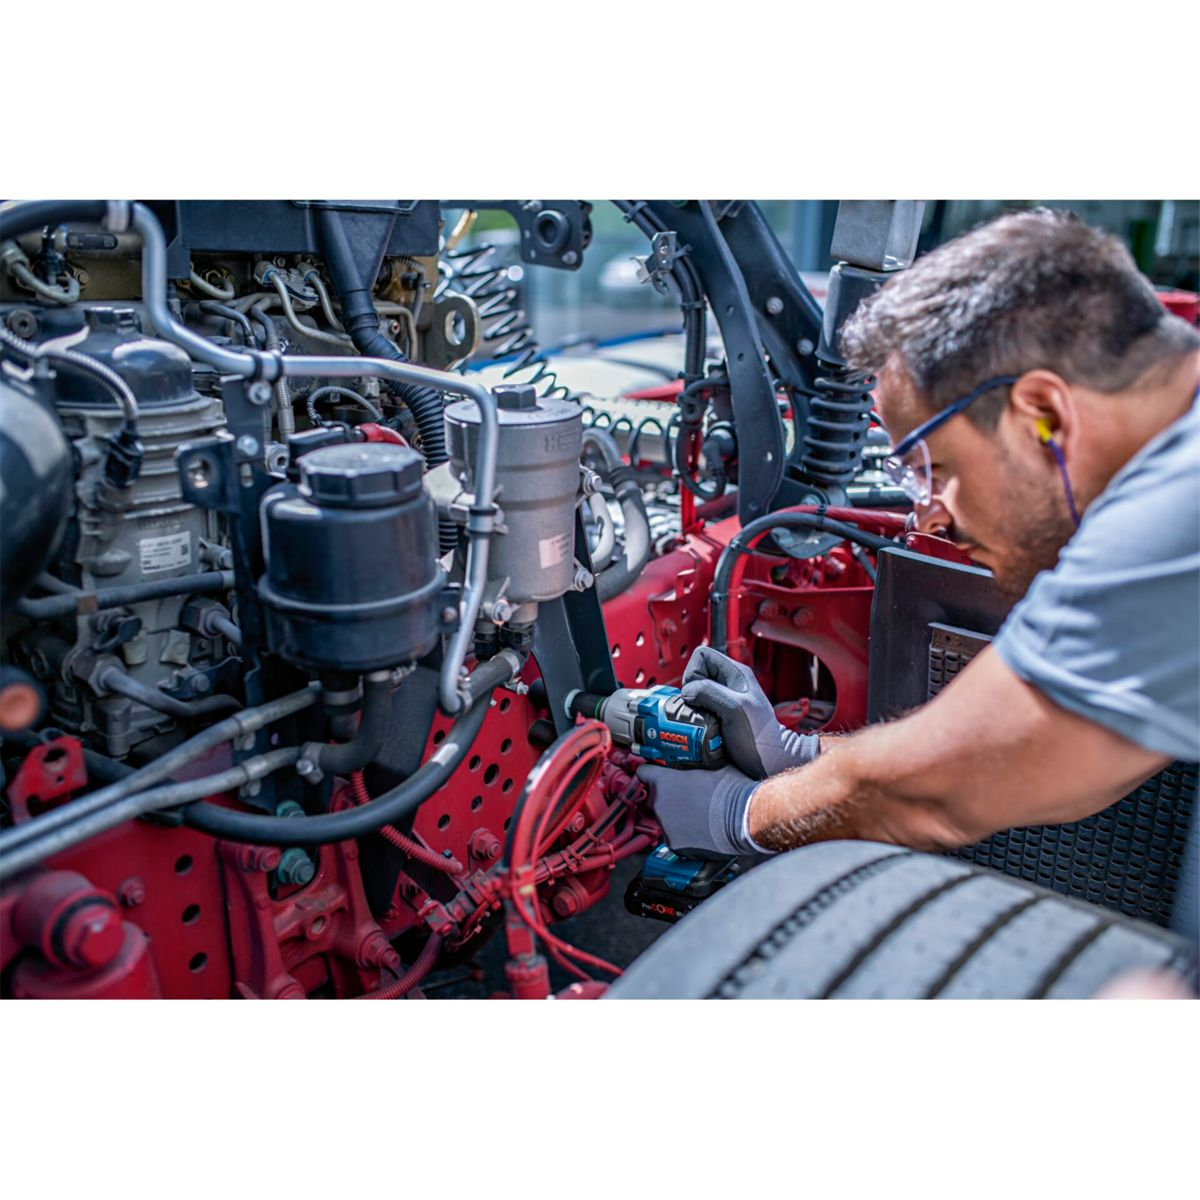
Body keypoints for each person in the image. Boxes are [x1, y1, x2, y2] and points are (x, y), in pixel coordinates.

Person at [637, 210, 1200, 864]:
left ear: (1043, 415)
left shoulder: (1172, 511)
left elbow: (952, 785)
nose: (928, 515)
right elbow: (1028, 742)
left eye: (938, 469)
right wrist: (801, 753)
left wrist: (738, 815)